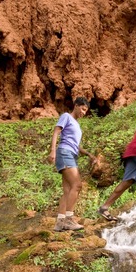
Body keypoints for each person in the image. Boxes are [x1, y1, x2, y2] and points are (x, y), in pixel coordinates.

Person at [49, 96, 96, 231]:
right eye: (82, 109)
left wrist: (88, 154)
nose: (83, 112)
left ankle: (60, 222)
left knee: (68, 190)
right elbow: (56, 132)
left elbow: (76, 145)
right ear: (76, 105)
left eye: (86, 111)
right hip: (65, 153)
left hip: (71, 154)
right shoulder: (66, 116)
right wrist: (53, 151)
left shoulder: (77, 124)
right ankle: (69, 219)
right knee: (77, 185)